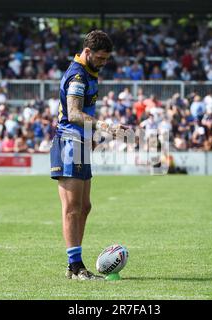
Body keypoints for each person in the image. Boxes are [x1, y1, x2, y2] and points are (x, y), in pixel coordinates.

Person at [50, 30, 126, 280]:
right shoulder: (78, 75)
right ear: (88, 52)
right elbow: (73, 113)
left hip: (81, 143)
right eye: (101, 58)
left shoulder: (90, 73)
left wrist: (92, 137)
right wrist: (106, 127)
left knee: (85, 206)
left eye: (107, 59)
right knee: (72, 208)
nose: (104, 63)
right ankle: (75, 266)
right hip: (69, 143)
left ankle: (75, 264)